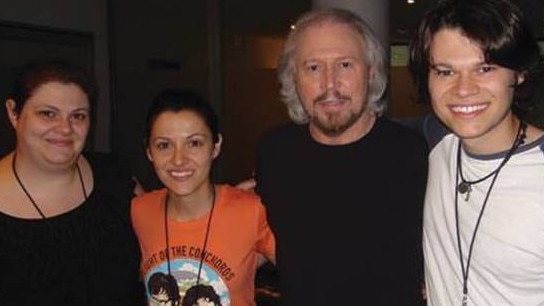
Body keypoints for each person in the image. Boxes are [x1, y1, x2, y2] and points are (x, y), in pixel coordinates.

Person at [254, 8, 428, 305]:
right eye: (313, 68)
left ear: (372, 72)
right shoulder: (275, 151)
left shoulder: (415, 155)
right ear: (292, 78)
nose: (330, 84)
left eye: (345, 65)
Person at [408, 0, 544, 304]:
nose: (463, 89)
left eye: (484, 68)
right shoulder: (434, 140)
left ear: (519, 73)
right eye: (445, 72)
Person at [0, 59, 145, 304]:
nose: (65, 128)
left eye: (78, 116)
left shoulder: (116, 177)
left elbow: (171, 238)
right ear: (14, 113)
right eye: (48, 114)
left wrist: (225, 206)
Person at [131, 88, 276, 306]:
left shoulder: (252, 210)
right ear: (149, 152)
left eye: (195, 143)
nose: (179, 159)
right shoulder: (139, 210)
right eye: (164, 145)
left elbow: (310, 276)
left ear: (215, 146)